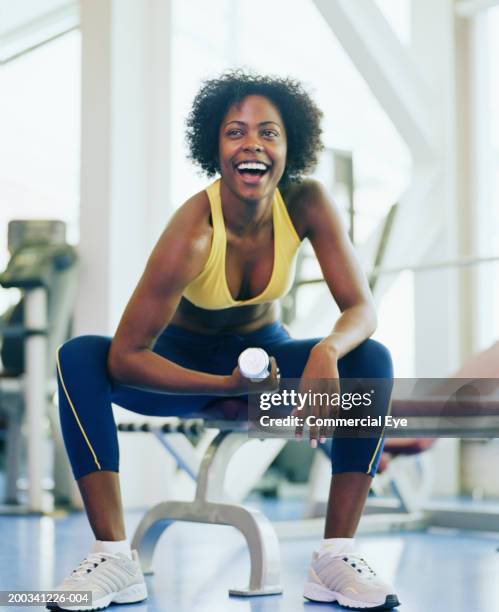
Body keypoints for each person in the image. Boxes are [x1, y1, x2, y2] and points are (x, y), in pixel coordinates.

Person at [50, 71, 399, 611]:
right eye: (235, 132)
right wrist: (225, 384)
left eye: (269, 132)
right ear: (215, 147)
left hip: (269, 365)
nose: (253, 143)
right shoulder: (192, 230)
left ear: (291, 146)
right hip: (181, 371)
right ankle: (114, 558)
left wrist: (324, 351)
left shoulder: (305, 202)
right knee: (79, 356)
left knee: (370, 357)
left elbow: (361, 307)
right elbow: (126, 356)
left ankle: (336, 556)